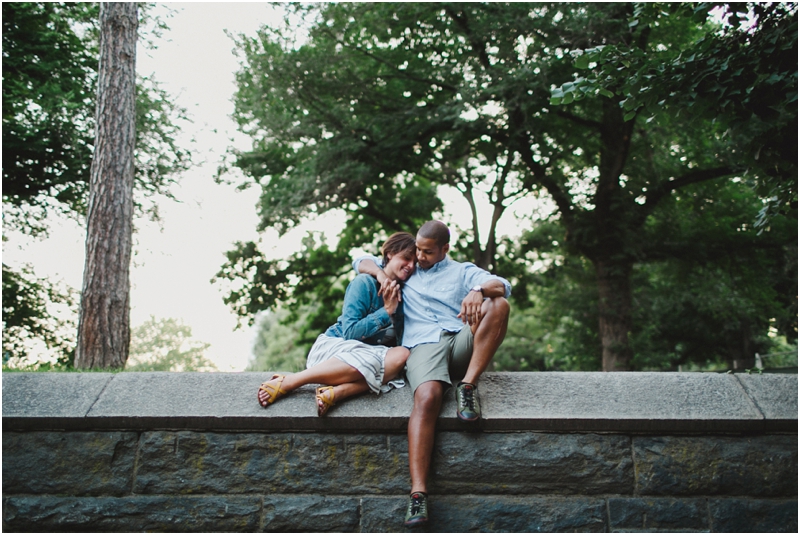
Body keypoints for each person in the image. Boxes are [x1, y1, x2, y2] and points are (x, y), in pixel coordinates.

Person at [354, 220, 511, 528]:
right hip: (423, 345)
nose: (420, 257)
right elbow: (358, 258)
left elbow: (503, 285)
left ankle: (468, 386)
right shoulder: (405, 271)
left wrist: (478, 290)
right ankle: (418, 494)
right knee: (428, 397)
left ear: (444, 249)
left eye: (427, 252)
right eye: (417, 250)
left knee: (500, 304)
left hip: (460, 338)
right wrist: (380, 273)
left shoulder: (462, 271)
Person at [257, 232, 417, 416]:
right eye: (406, 258)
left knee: (402, 355)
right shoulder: (364, 283)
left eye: (414, 262)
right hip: (336, 351)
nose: (411, 266)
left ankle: (340, 391)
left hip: (371, 360)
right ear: (389, 254)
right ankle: (292, 381)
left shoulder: (406, 295)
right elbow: (350, 333)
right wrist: (386, 312)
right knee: (376, 362)